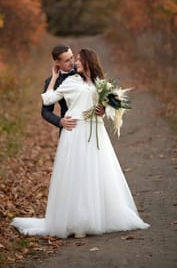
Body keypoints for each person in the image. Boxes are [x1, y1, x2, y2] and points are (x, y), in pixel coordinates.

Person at [12, 48, 149, 238]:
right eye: (70, 59)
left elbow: (114, 106)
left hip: (96, 130)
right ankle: (77, 221)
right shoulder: (70, 81)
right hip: (74, 131)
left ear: (87, 62)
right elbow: (48, 100)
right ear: (58, 62)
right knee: (76, 174)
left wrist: (104, 109)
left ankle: (100, 216)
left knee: (97, 172)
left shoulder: (100, 84)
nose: (74, 62)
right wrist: (53, 80)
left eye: (76, 59)